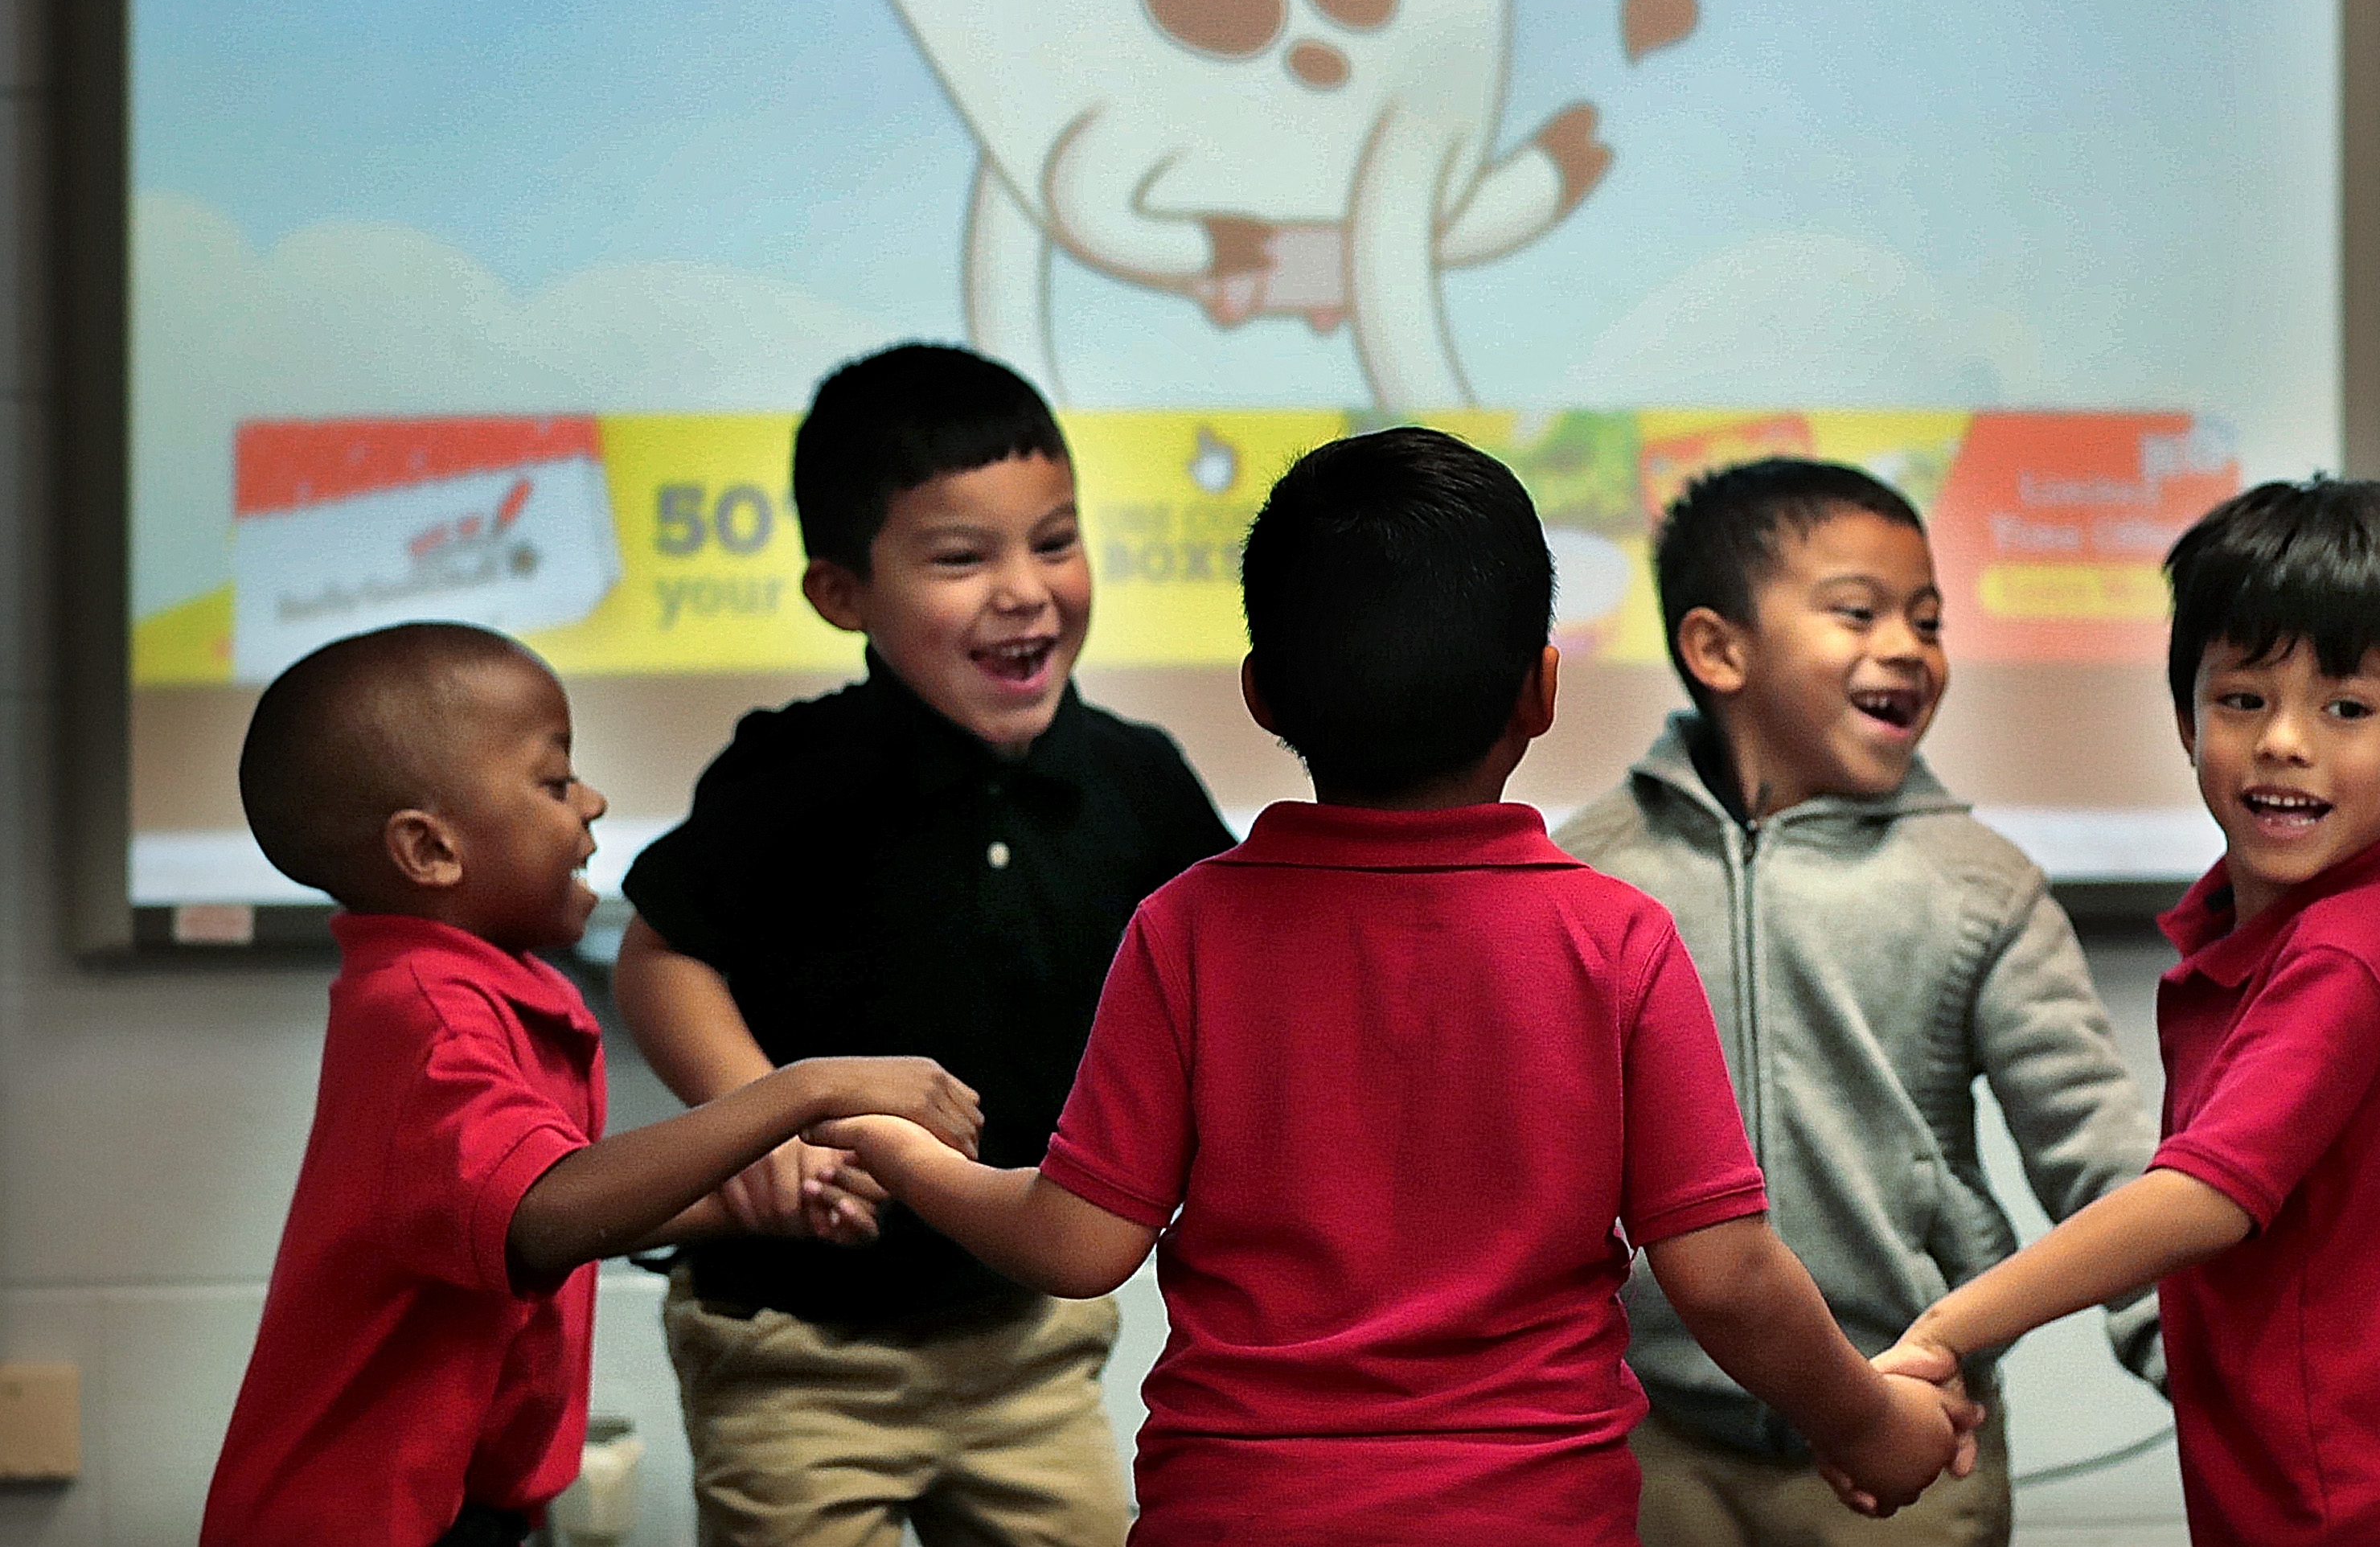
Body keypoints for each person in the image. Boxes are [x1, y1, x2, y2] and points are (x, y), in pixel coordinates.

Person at [807, 427, 1977, 1547]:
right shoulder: (1616, 936)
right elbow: (1726, 1275)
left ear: (1262, 694)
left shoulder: (1191, 927)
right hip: (1534, 1519)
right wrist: (1873, 1424)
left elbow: (1076, 1241)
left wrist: (906, 1153)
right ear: (1541, 688)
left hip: (1238, 1513)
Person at [1869, 477, 2380, 1545]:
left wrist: (1952, 1324)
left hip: (2379, 1495)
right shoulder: (2365, 909)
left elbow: (2202, 1198)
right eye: (2243, 697)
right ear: (2186, 714)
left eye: (2347, 707)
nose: (2284, 740)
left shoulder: (2348, 949)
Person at [613, 343, 1234, 1545]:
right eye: (963, 556)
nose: (1025, 588)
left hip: (1027, 1345)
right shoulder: (788, 774)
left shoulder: (1138, 780)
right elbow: (660, 954)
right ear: (843, 592)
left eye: (1054, 540)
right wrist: (760, 1114)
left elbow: (1238, 982)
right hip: (792, 1350)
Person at [200, 622, 984, 1547]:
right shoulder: (429, 1013)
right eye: (554, 780)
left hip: (455, 1511)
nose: (595, 801)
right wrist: (803, 1090)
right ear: (430, 849)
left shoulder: (472, 990)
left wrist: (750, 1211)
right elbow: (540, 1212)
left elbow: (527, 1214)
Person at [1552, 458, 2165, 1545]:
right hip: (1649, 1443)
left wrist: (2205, 1365)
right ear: (1716, 648)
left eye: (1927, 620)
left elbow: (2102, 1160)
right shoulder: (1589, 876)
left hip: (1909, 1429)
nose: (1908, 646)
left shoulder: (1981, 882)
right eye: (1858, 610)